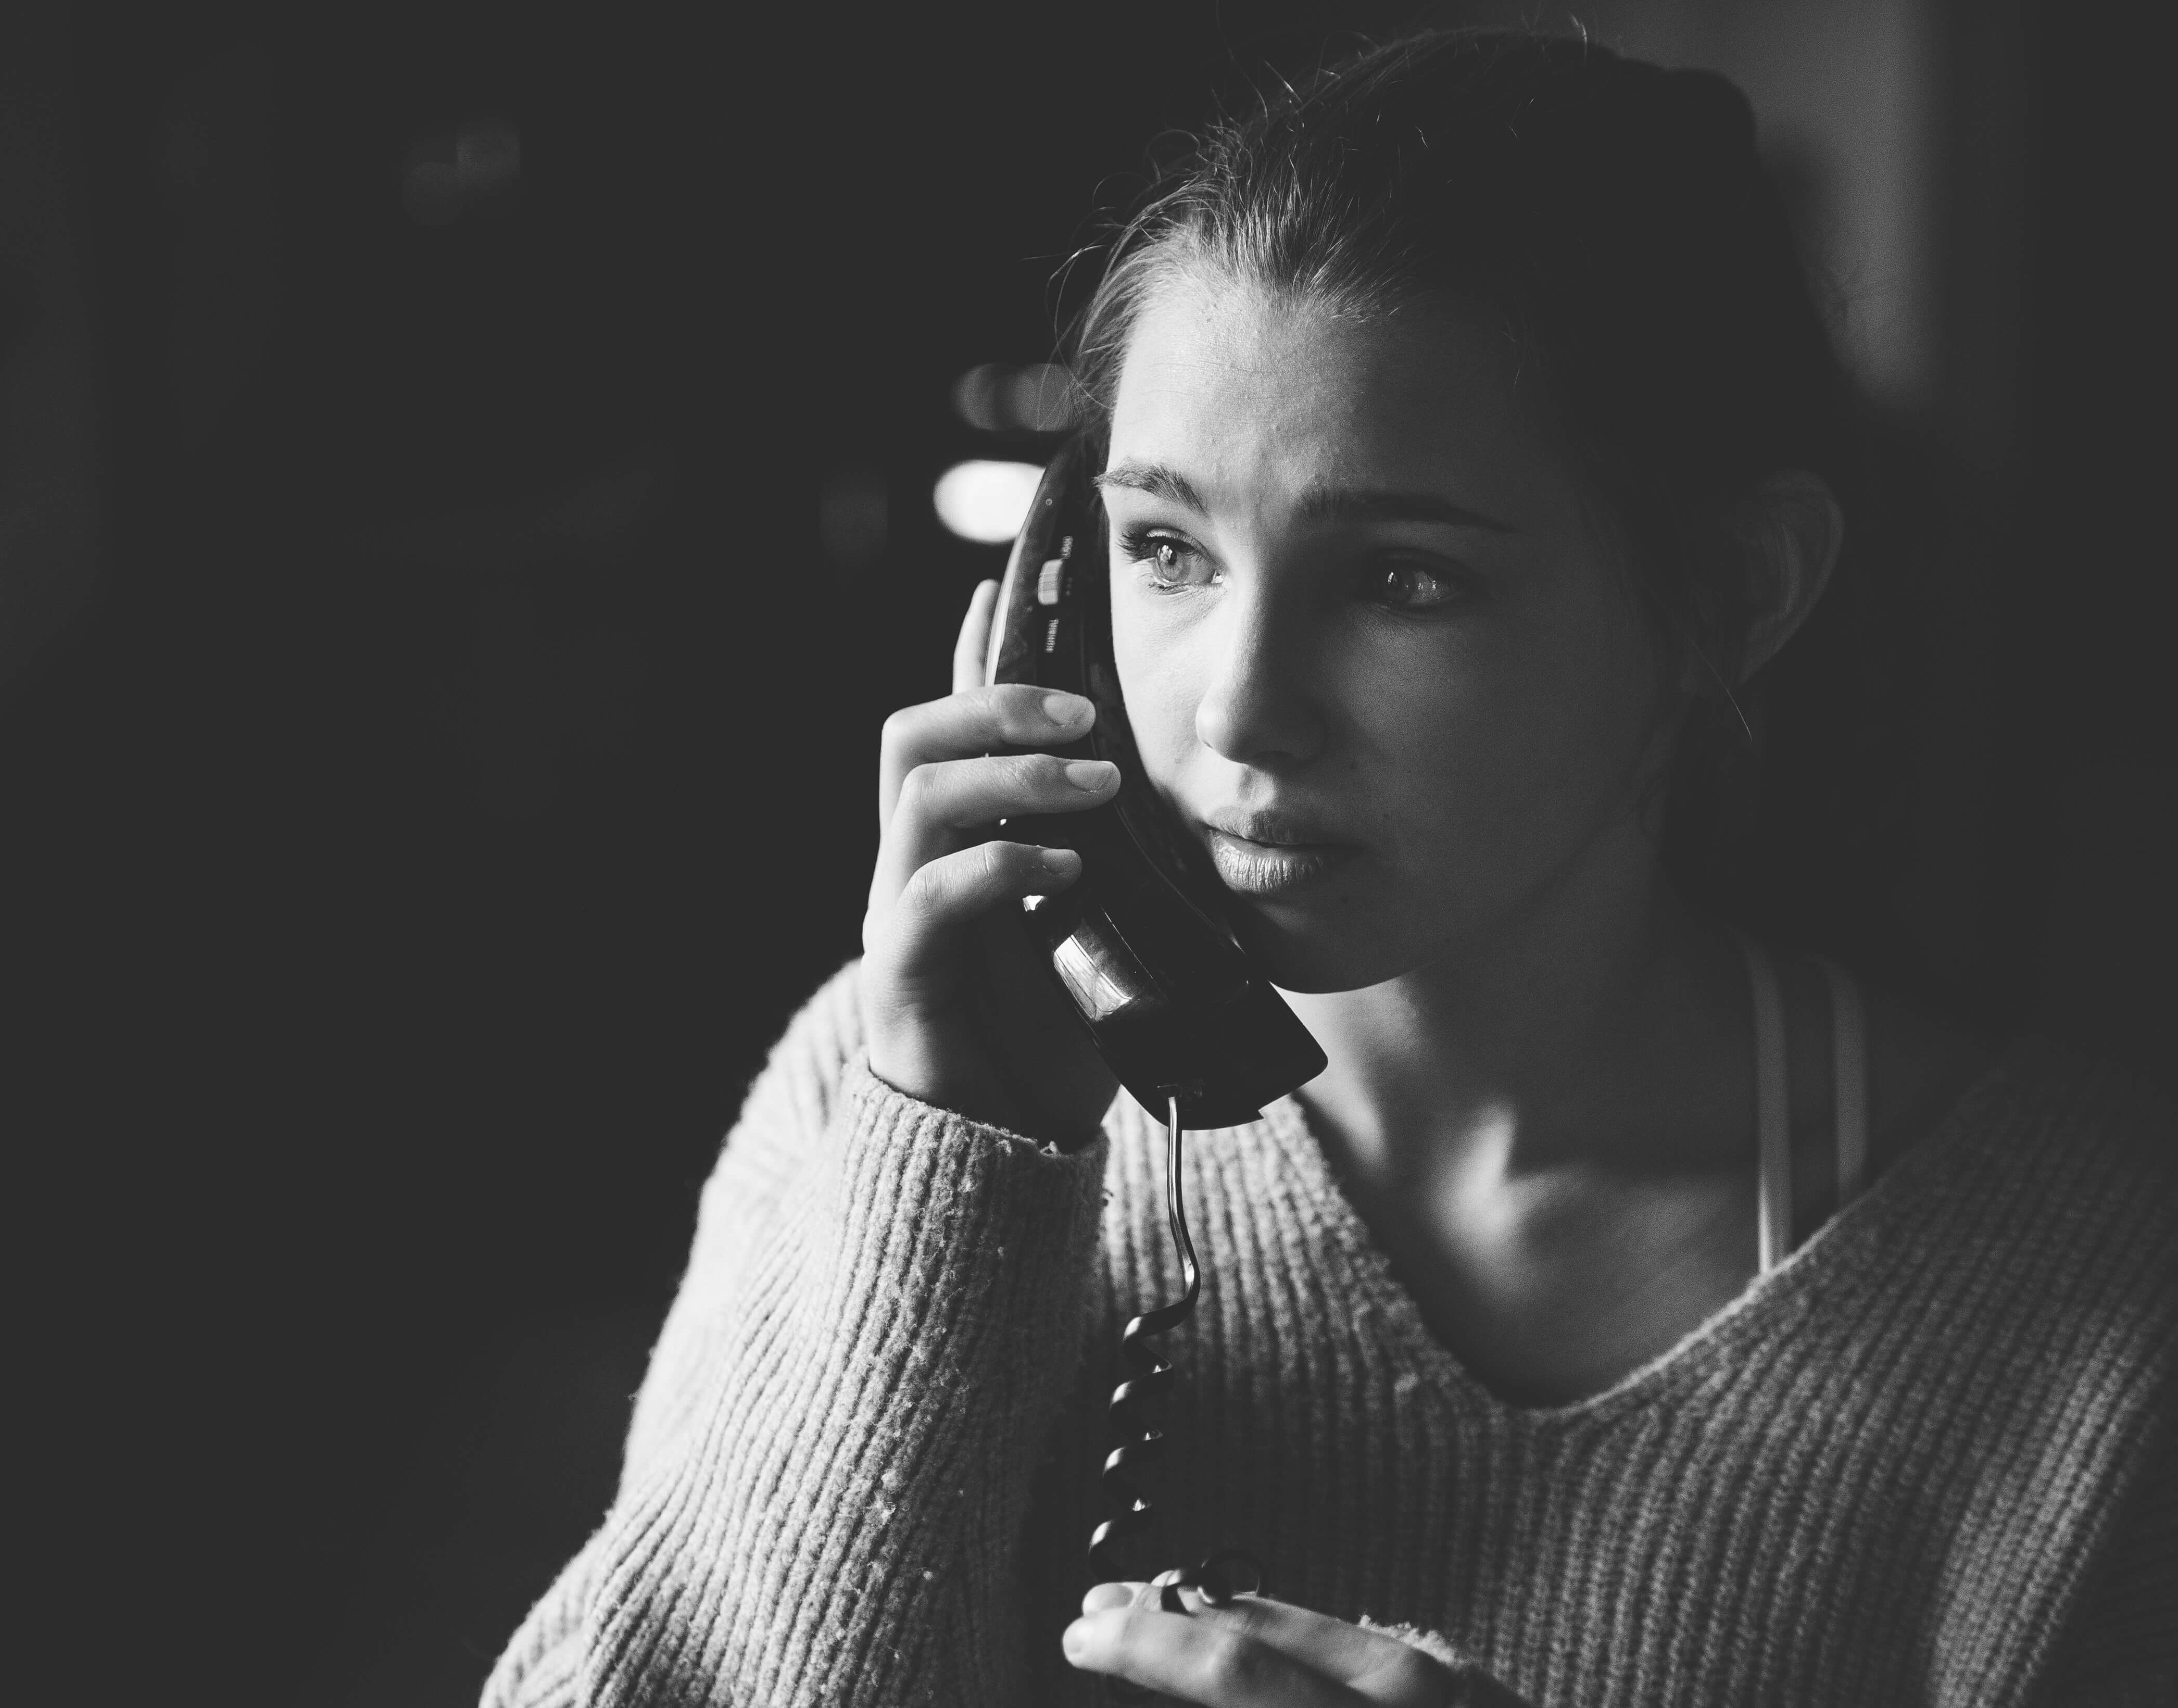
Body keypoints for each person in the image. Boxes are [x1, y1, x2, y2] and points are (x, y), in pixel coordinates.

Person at [481, 28, 2172, 1707]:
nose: (1238, 708)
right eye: (1165, 549)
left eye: (1403, 582)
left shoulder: (2097, 1308)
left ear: (1731, 597)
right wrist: (951, 1183)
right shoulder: (883, 1092)